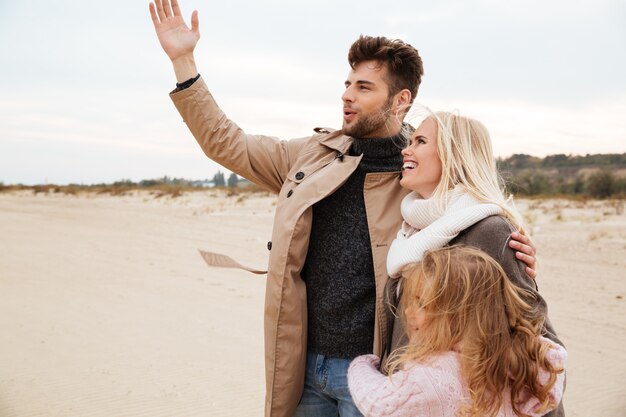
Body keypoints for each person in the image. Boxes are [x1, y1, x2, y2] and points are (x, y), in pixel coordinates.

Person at [148, 2, 538, 416]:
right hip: (303, 366)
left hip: (378, 374)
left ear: (400, 100)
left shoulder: (424, 176)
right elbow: (227, 143)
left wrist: (520, 256)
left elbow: (478, 226)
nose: (347, 95)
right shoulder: (312, 156)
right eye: (348, 83)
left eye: (364, 87)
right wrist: (184, 62)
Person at [372, 111, 565, 416]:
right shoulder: (411, 230)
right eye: (409, 141)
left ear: (455, 156)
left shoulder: (490, 230)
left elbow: (537, 341)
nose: (405, 150)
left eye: (420, 141)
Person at [347, 245, 567, 417]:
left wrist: (362, 365)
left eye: (422, 304)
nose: (408, 311)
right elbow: (554, 362)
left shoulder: (428, 378)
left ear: (457, 317)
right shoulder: (519, 362)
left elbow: (377, 403)